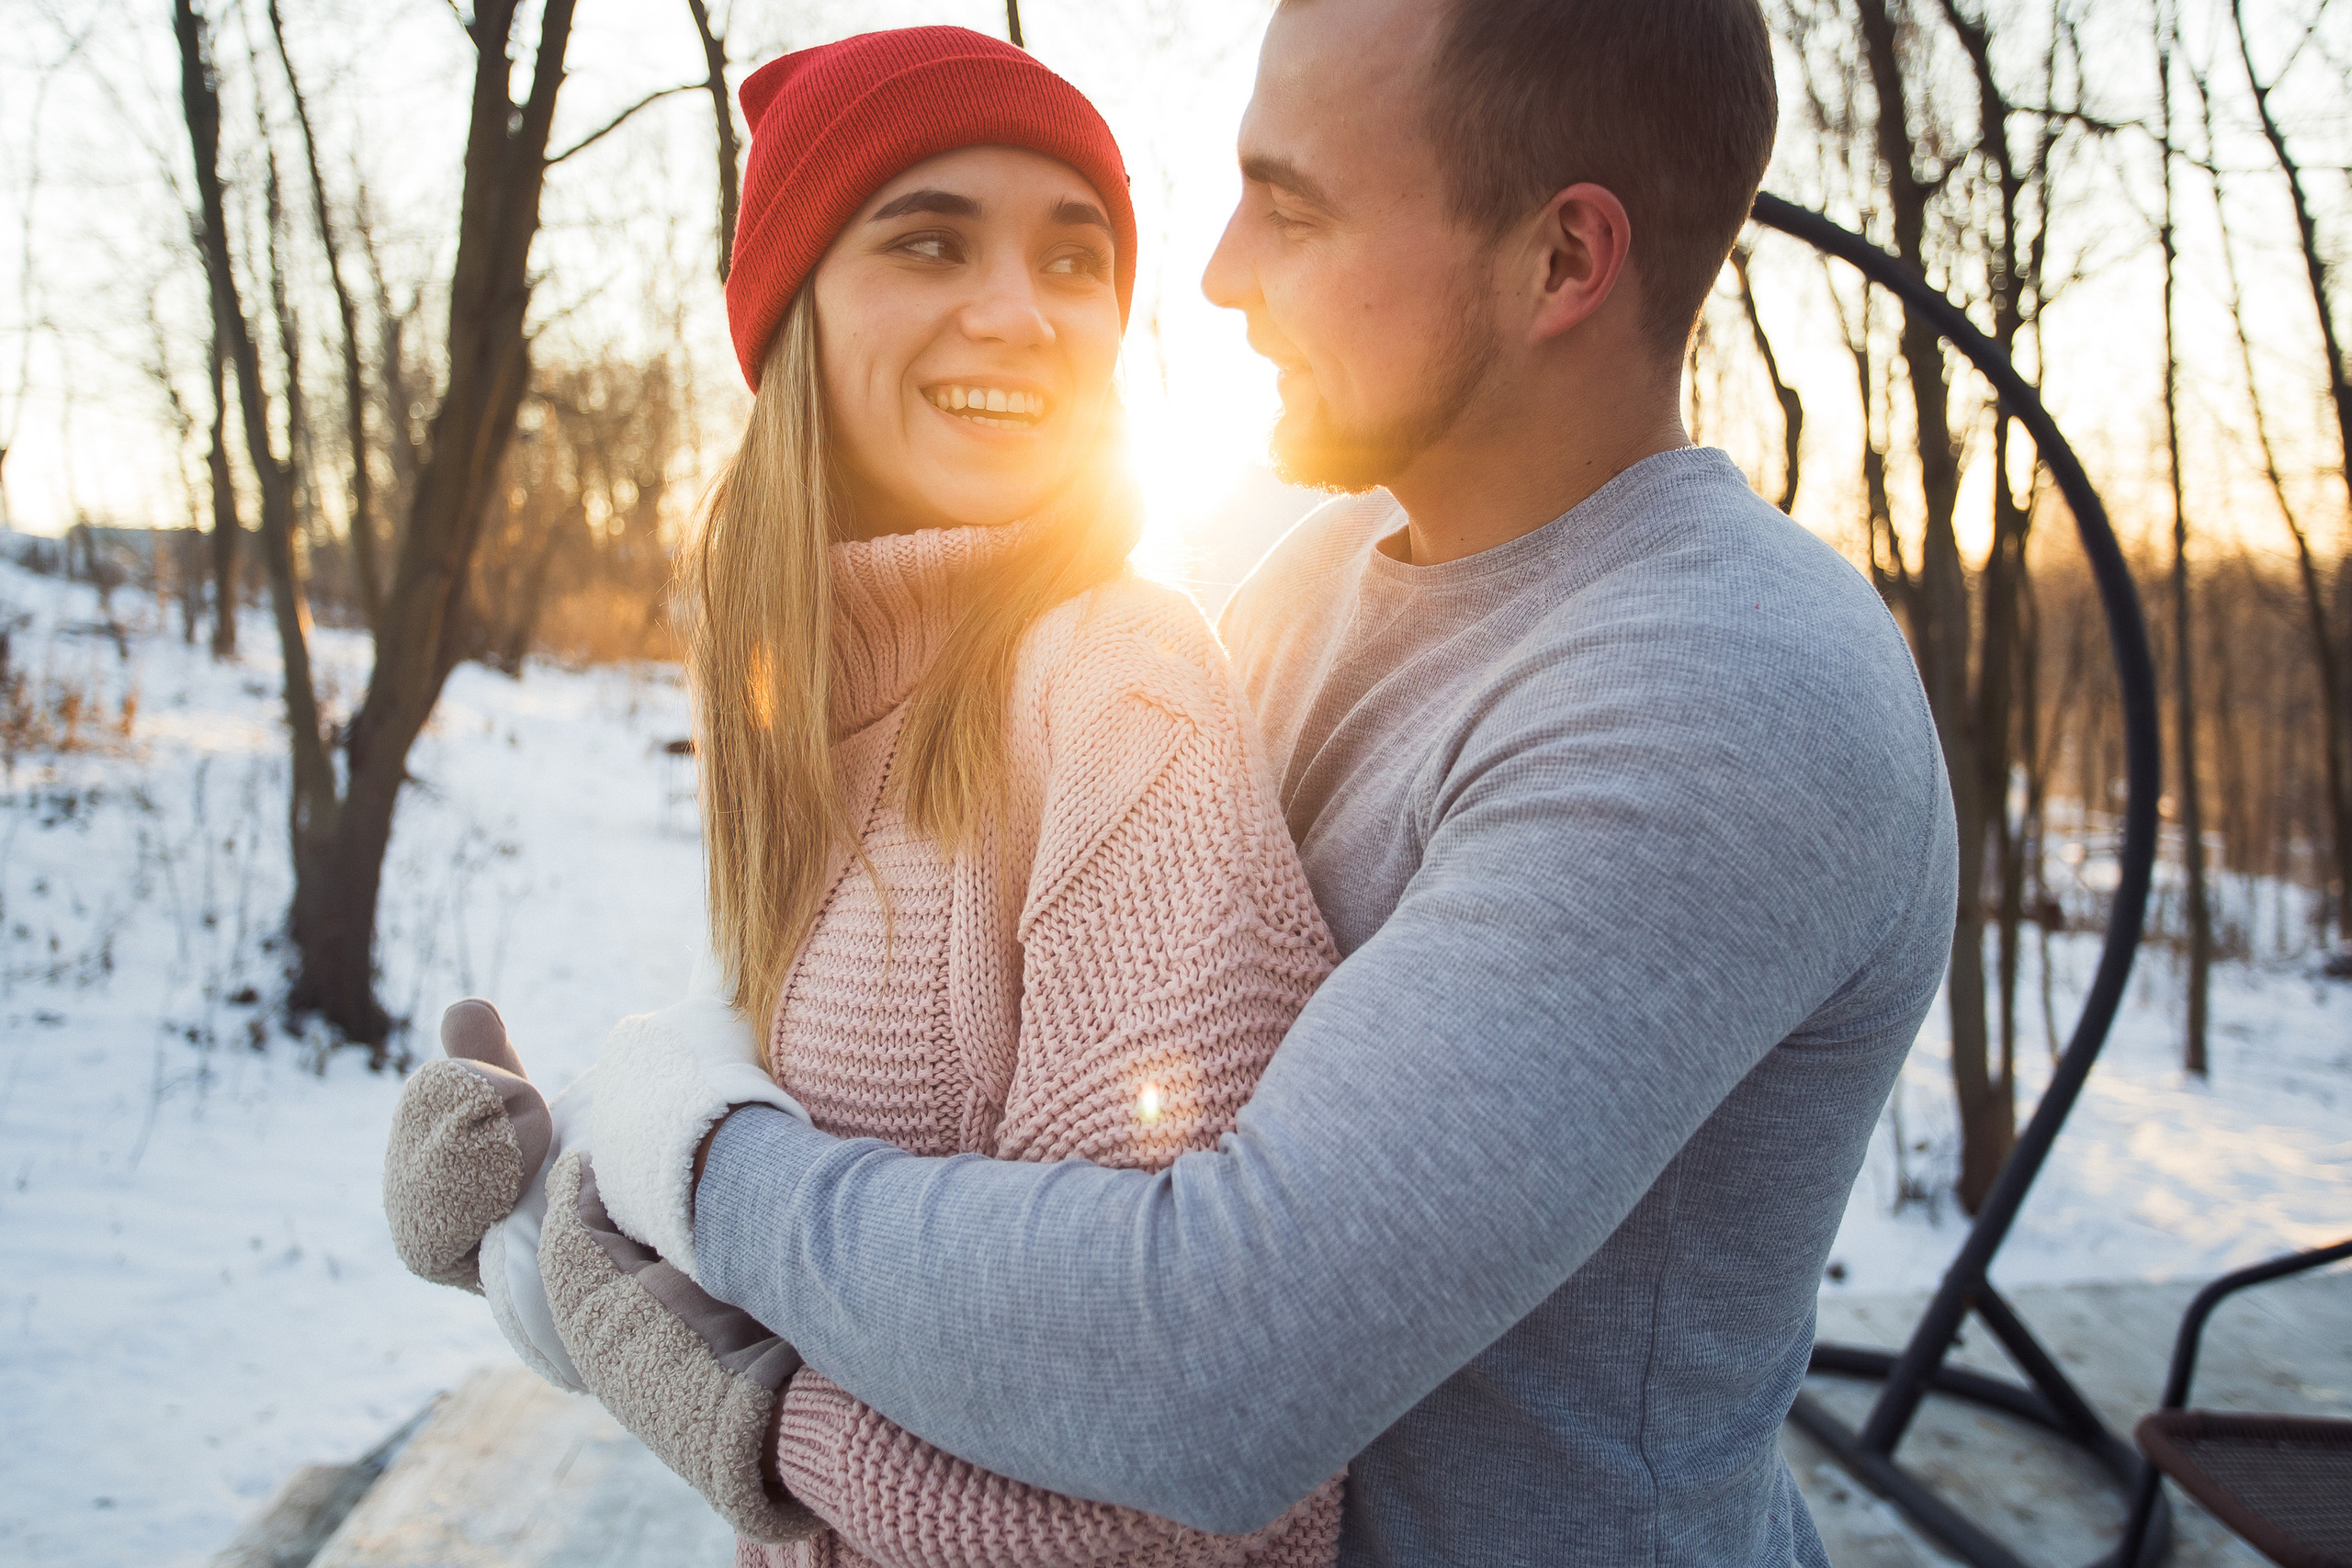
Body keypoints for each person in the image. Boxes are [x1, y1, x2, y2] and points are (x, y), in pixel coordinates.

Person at [567, 0, 1961, 1563]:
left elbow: (1208, 1365)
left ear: (1563, 261)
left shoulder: (1723, 692)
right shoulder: (1321, 575)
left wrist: (707, 1164)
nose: (1219, 273)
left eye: (1292, 209)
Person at [380, 25, 1345, 1568]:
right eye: (931, 240)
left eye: (1073, 256)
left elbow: (1181, 1482)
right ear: (794, 314)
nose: (1020, 312)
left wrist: (723, 1397)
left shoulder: (1120, 692)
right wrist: (545, 1209)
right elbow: (811, 1214)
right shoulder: (800, 726)